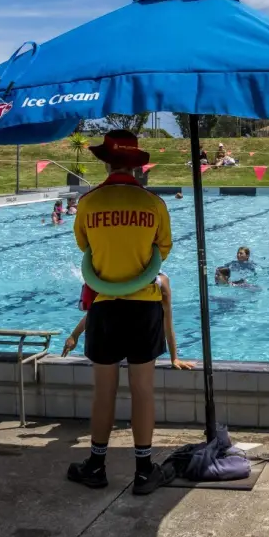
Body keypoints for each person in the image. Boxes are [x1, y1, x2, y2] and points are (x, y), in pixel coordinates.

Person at [67, 130, 177, 495]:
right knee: (143, 391)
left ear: (106, 162)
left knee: (104, 392)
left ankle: (96, 466)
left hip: (104, 307)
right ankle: (145, 471)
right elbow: (163, 251)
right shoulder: (153, 204)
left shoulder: (89, 202)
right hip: (144, 305)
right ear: (137, 165)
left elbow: (85, 248)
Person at [62, 273, 194, 370]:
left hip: (138, 342)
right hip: (122, 341)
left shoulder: (159, 282)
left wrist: (174, 357)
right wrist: (75, 335)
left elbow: (167, 319)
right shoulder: (113, 277)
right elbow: (100, 311)